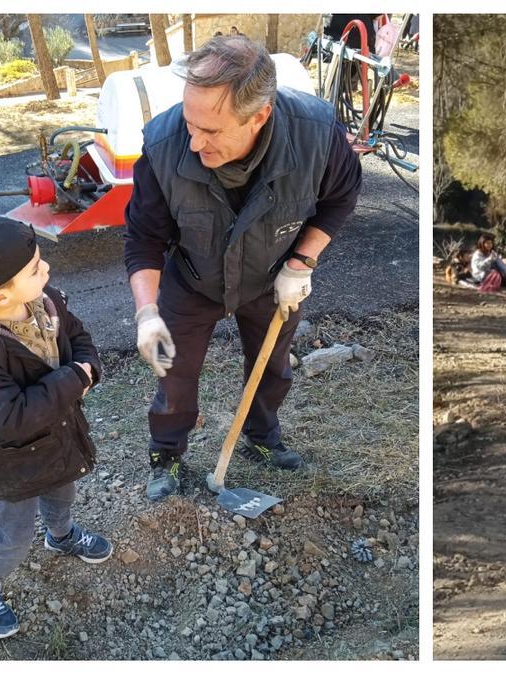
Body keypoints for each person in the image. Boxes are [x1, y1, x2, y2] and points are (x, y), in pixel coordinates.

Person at [123, 36, 363, 501]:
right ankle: (167, 456)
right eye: (190, 123)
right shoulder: (165, 144)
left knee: (272, 366)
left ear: (260, 115)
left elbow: (341, 198)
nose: (194, 142)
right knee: (174, 375)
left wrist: (301, 261)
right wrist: (147, 312)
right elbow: (144, 238)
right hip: (192, 278)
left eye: (211, 131)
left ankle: (262, 437)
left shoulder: (316, 135)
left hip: (274, 275)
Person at [0, 211, 111, 639]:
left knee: (63, 488)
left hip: (58, 430)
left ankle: (62, 535)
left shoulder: (44, 302)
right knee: (14, 529)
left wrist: (88, 365)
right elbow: (9, 417)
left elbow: (78, 336)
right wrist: (76, 378)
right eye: (35, 268)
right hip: (15, 454)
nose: (46, 269)